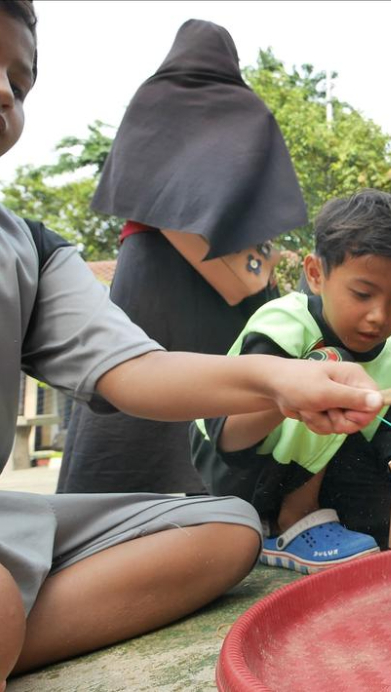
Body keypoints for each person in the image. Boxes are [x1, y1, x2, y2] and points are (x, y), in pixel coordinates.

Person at [0, 2, 387, 689]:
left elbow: (136, 368)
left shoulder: (26, 247)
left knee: (226, 528)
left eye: (21, 81)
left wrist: (276, 381)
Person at [57, 19, 306, 495]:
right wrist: (261, 267)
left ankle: (103, 507)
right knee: (221, 383)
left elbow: (147, 188)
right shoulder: (249, 111)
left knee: (134, 368)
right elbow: (257, 207)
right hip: (229, 274)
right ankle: (222, 501)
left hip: (148, 269)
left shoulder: (150, 101)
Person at [192, 190, 391, 573]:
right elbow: (228, 435)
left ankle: (317, 516)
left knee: (386, 520)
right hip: (239, 465)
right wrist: (296, 397)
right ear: (315, 274)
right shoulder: (284, 323)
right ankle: (288, 520)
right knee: (331, 367)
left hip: (311, 464)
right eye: (362, 294)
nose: (379, 316)